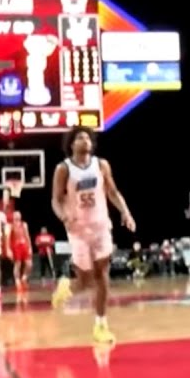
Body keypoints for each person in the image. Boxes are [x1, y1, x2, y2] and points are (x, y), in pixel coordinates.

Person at [51, 126, 136, 344]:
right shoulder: (64, 169)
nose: (85, 140)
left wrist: (125, 212)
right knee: (86, 281)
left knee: (102, 276)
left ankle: (101, 326)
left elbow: (113, 192)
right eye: (80, 137)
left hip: (100, 226)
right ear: (72, 144)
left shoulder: (101, 164)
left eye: (88, 137)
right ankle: (66, 286)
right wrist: (63, 216)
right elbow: (56, 199)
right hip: (78, 230)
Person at [9, 210, 32, 291]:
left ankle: (24, 278)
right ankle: (17, 281)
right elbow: (8, 239)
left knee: (29, 264)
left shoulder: (24, 224)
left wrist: (30, 247)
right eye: (16, 215)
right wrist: (9, 250)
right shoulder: (10, 226)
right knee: (17, 264)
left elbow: (27, 236)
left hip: (24, 245)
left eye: (19, 215)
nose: (18, 217)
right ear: (13, 217)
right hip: (16, 246)